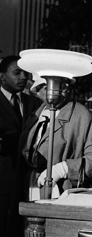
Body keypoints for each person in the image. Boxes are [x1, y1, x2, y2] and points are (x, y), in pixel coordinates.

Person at [16, 75, 92, 202]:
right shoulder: (36, 114)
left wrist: (63, 169)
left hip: (62, 192)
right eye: (46, 88)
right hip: (30, 187)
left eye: (60, 87)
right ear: (38, 91)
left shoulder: (81, 115)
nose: (54, 92)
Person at [0, 55, 41, 236]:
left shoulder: (35, 103)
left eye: (25, 72)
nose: (23, 77)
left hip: (27, 179)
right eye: (17, 73)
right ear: (2, 77)